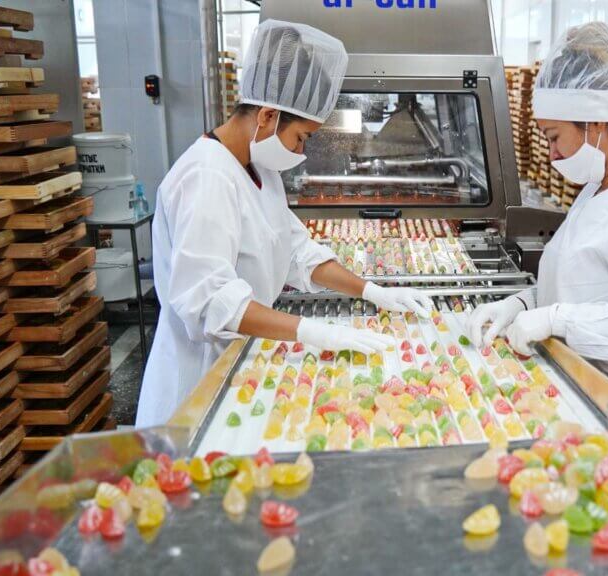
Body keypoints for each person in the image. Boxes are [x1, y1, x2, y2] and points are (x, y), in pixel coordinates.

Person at [136, 21, 433, 427]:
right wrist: (314, 332)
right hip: (198, 382)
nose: (301, 150)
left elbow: (298, 252)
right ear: (268, 115)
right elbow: (211, 304)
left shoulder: (259, 169)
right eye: (302, 137)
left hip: (237, 365)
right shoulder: (206, 177)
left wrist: (372, 291)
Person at [468, 22, 608, 398]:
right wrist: (520, 305)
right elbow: (577, 288)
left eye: (554, 137)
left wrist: (559, 321)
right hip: (573, 397)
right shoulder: (595, 190)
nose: (553, 153)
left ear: (596, 121)